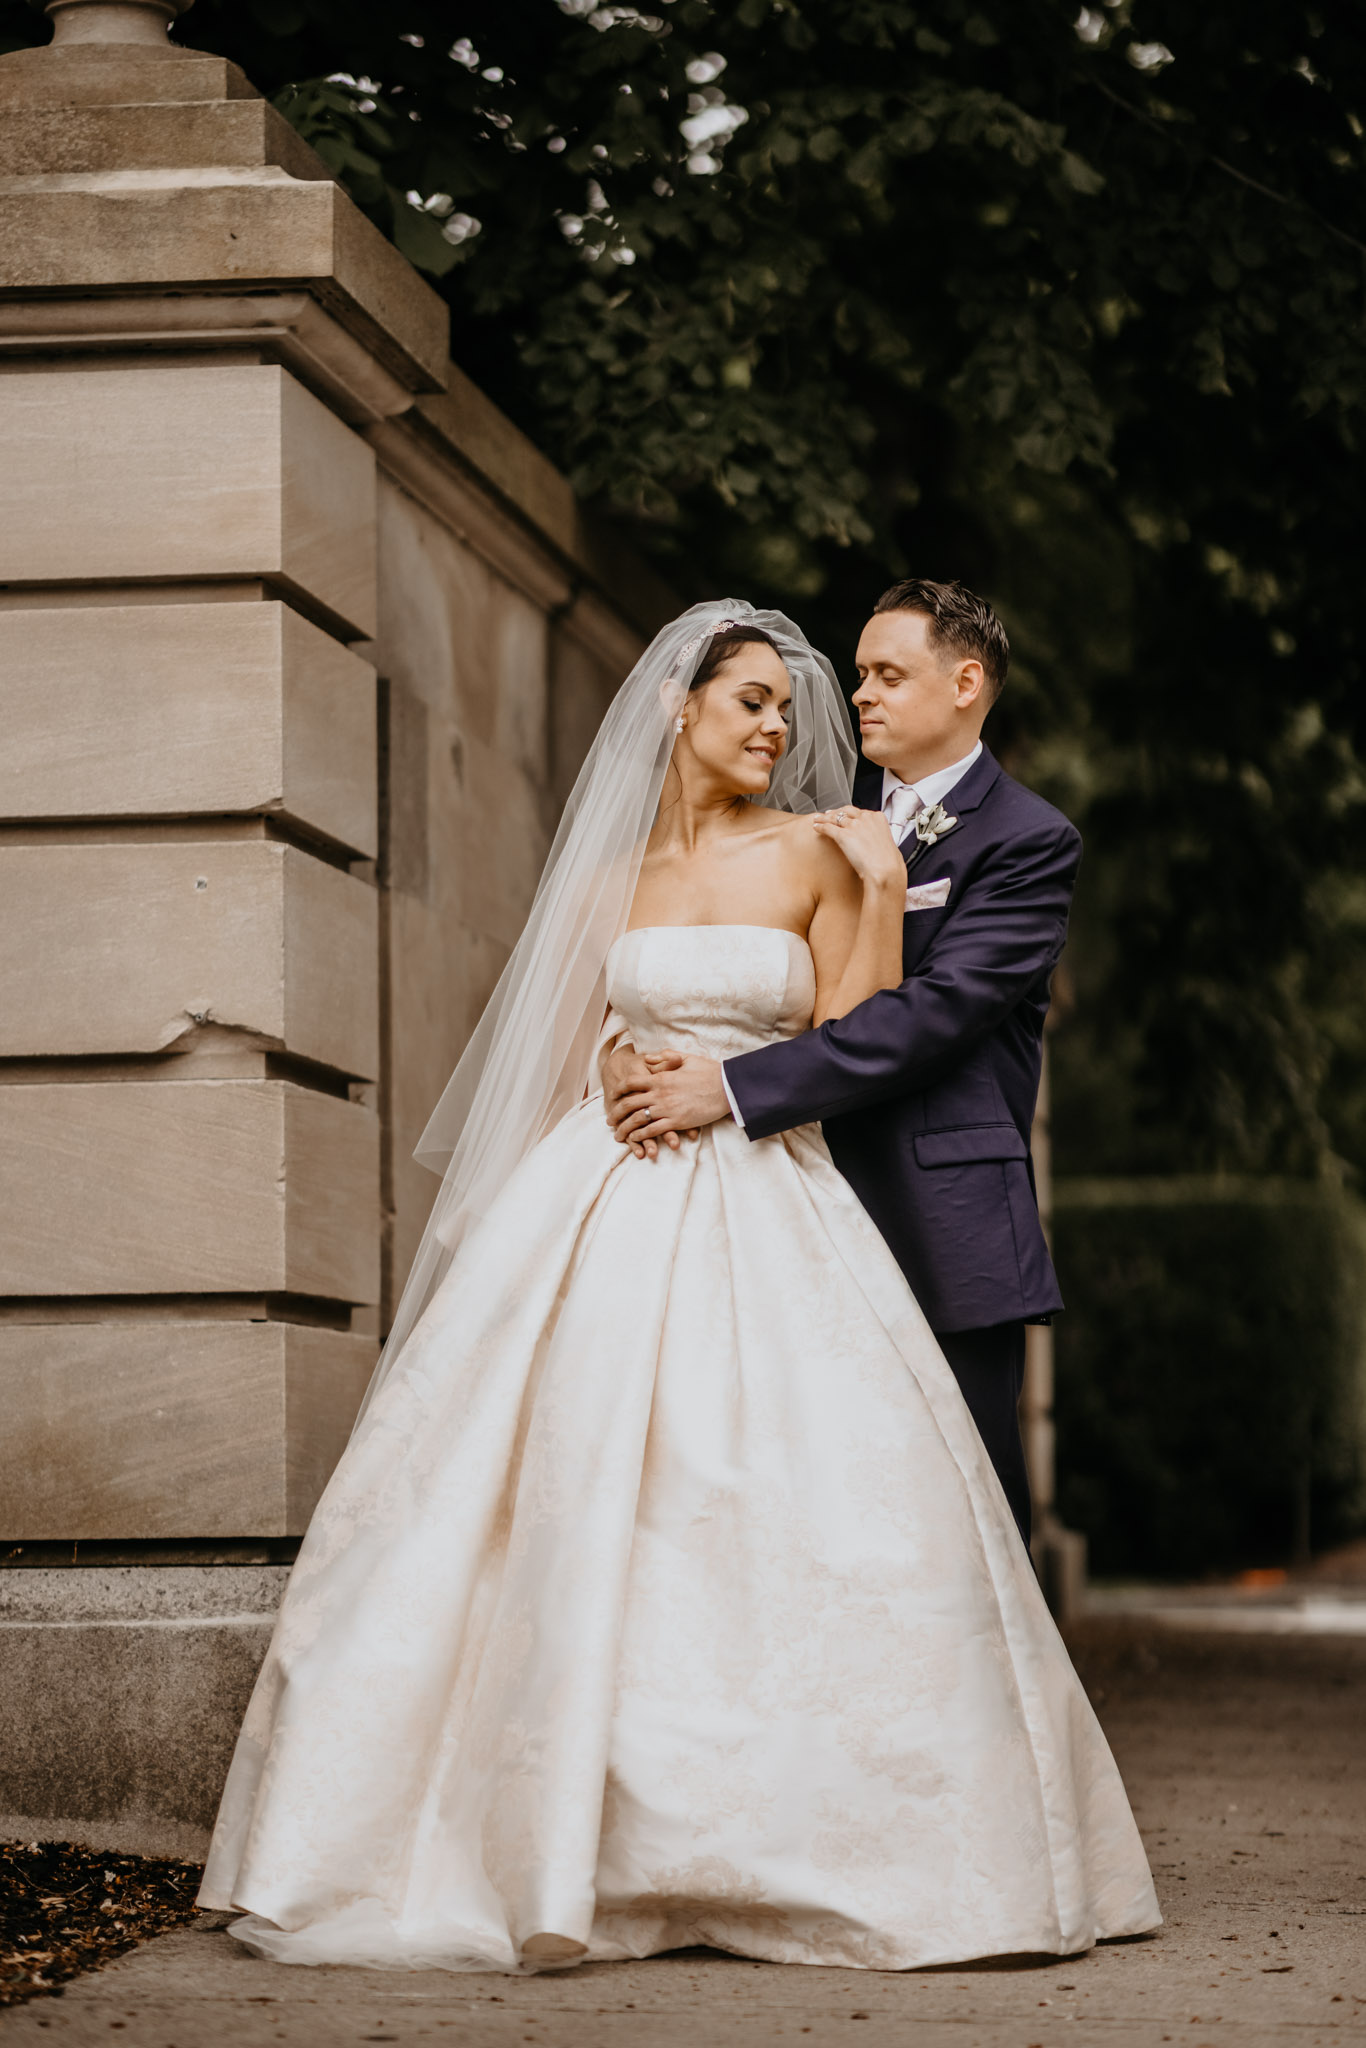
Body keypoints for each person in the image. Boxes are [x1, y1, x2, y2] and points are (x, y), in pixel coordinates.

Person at [198, 600, 1158, 1975]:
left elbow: (890, 1024)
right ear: (675, 707)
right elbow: (578, 1021)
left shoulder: (884, 851)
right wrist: (607, 1070)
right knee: (557, 1486)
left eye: (815, 694)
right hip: (604, 1197)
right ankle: (529, 1841)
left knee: (855, 1517)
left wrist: (832, 954)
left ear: (964, 684)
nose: (796, 720)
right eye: (755, 700)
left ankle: (845, 1832)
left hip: (797, 1198)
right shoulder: (609, 873)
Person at [605, 580, 1077, 1549]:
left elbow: (935, 1014)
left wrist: (729, 1085)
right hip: (785, 1208)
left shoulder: (1027, 839)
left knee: (973, 1505)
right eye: (859, 672)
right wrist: (622, 1053)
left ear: (965, 682)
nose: (858, 693)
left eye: (887, 673)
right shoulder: (811, 821)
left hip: (935, 1210)